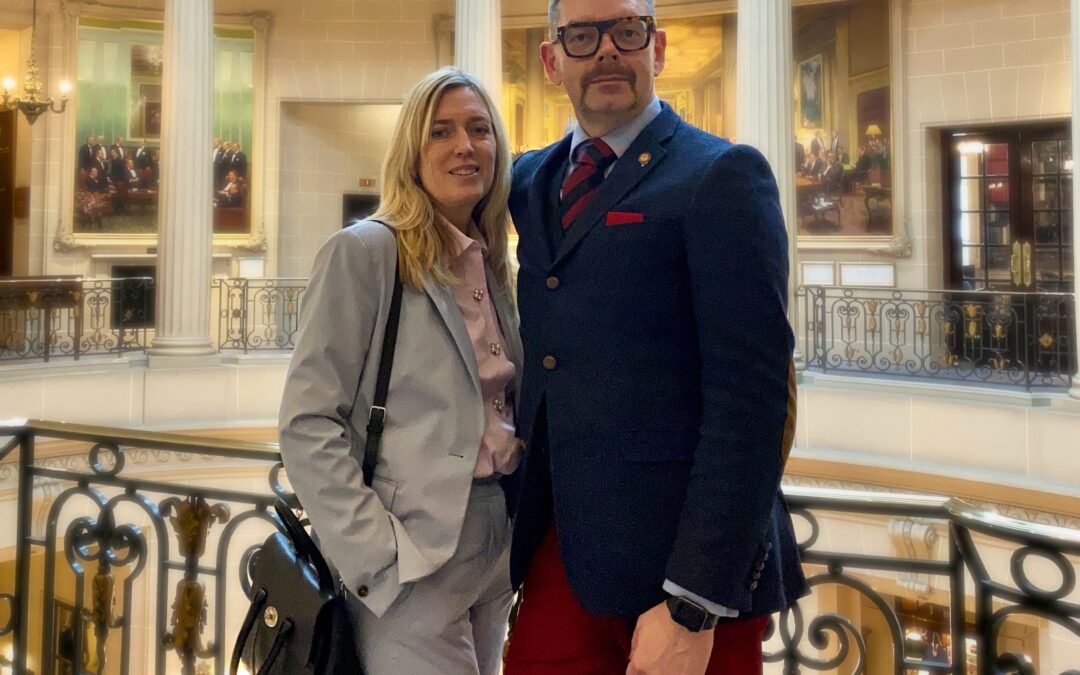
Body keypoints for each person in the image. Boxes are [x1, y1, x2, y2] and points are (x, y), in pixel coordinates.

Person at [503, 1, 808, 674]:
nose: (606, 49)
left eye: (626, 30)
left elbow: (753, 400)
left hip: (683, 577)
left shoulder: (721, 175)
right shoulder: (529, 181)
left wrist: (694, 601)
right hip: (562, 555)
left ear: (657, 49)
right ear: (553, 62)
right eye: (582, 36)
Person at [278, 67, 521, 675]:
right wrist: (381, 559)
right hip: (413, 555)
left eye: (478, 129)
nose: (464, 145)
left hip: (497, 546)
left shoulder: (493, 266)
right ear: (412, 155)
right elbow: (308, 423)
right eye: (440, 132)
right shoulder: (364, 253)